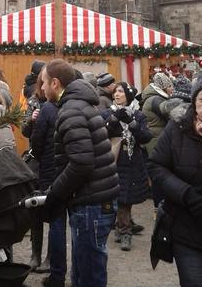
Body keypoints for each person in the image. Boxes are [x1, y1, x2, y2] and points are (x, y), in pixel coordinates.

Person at [42, 59, 119, 287]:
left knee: (88, 276)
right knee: (82, 273)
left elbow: (81, 163)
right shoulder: (77, 105)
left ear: (55, 83)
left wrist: (55, 194)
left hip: (91, 204)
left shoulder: (71, 110)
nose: (43, 88)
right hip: (93, 201)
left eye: (44, 83)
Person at [148, 76, 202, 286]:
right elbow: (156, 166)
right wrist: (185, 193)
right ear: (194, 103)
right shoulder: (177, 129)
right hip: (187, 232)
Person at [102, 83, 152, 252]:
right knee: (117, 198)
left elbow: (146, 137)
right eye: (115, 91)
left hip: (132, 162)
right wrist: (113, 120)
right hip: (113, 161)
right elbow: (101, 135)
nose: (117, 94)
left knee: (126, 199)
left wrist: (131, 123)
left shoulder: (138, 115)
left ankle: (123, 230)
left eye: (121, 91)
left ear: (128, 95)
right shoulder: (107, 113)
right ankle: (123, 229)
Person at [31, 72, 67, 287]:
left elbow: (37, 141)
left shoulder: (47, 108)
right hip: (66, 171)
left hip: (48, 169)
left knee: (51, 218)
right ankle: (47, 260)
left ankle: (51, 265)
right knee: (58, 219)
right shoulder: (68, 106)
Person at [21, 68, 49, 273]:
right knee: (35, 209)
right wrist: (32, 120)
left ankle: (51, 257)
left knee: (54, 213)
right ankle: (35, 255)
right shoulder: (34, 101)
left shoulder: (58, 101)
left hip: (53, 160)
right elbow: (24, 130)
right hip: (36, 160)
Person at [141, 71, 174, 208]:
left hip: (155, 139)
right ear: (163, 86)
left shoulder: (154, 98)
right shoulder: (156, 100)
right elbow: (171, 114)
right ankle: (159, 205)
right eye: (170, 86)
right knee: (159, 175)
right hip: (156, 141)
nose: (172, 89)